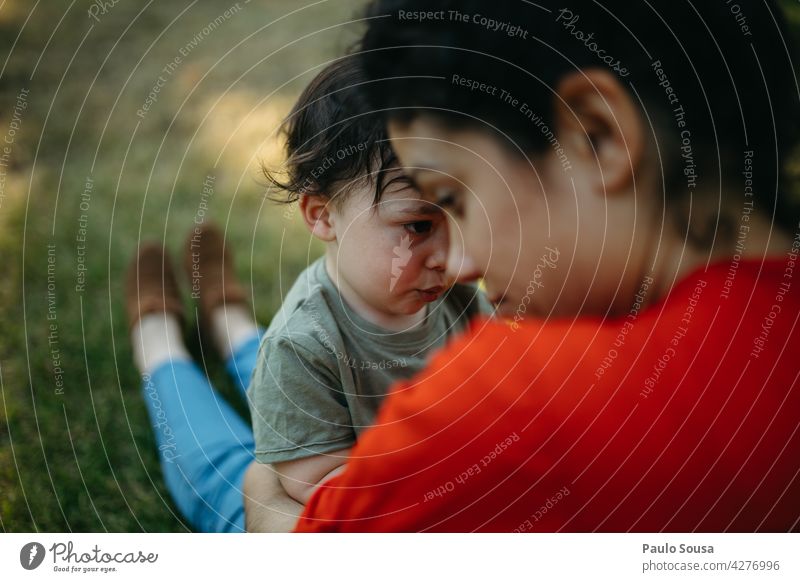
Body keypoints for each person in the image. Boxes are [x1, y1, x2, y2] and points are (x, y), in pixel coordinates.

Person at [243, 0, 800, 531]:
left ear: (596, 134)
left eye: (457, 198)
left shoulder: (529, 402)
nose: (462, 265)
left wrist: (261, 494)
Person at [125, 58, 487, 531]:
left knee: (278, 378)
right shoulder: (300, 346)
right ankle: (158, 339)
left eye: (461, 214)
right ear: (322, 215)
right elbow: (316, 487)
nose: (452, 255)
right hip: (305, 522)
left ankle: (228, 319)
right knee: (219, 464)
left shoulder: (455, 294)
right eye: (418, 225)